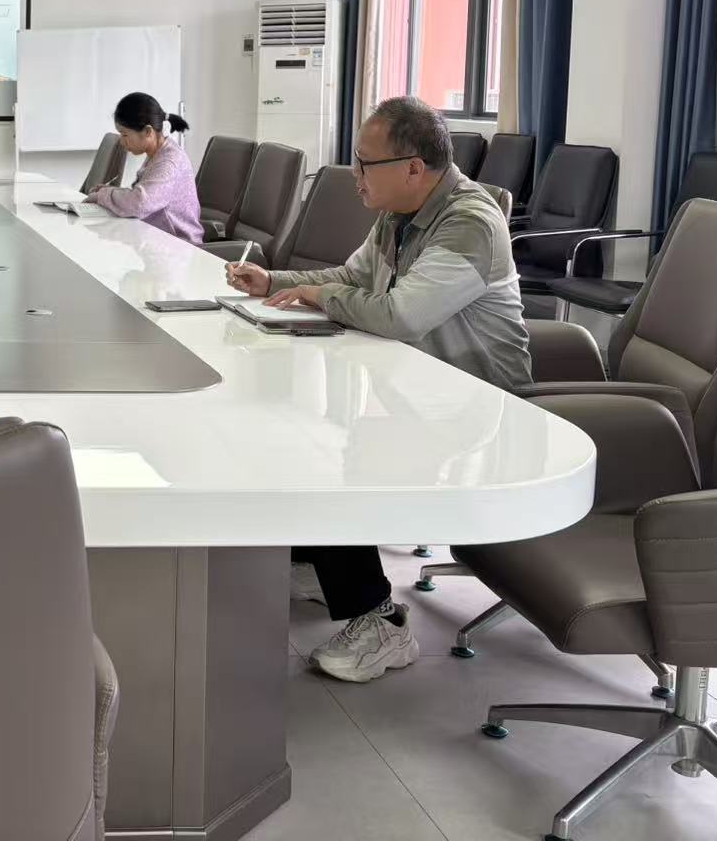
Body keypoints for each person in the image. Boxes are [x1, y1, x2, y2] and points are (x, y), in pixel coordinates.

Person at [226, 95, 531, 684]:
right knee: (293, 438)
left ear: (413, 168)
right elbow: (349, 277)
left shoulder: (469, 222)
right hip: (423, 389)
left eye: (365, 163)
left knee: (323, 460)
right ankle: (324, 557)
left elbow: (401, 315)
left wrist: (319, 296)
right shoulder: (400, 214)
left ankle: (381, 622)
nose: (355, 174)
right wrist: (275, 282)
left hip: (482, 406)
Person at [87, 92, 203, 244]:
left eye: (124, 134)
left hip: (180, 247)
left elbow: (140, 203)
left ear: (148, 131)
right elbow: (145, 195)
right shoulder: (157, 153)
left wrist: (103, 195)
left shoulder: (169, 162)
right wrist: (111, 191)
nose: (121, 141)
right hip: (158, 240)